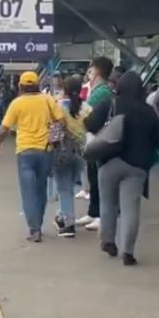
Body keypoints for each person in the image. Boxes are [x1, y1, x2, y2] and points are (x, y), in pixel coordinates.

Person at [86, 71, 159, 266]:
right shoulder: (149, 110)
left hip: (109, 161)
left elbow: (90, 123)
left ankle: (108, 241)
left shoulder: (112, 104)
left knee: (107, 204)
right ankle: (128, 251)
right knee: (130, 209)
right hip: (137, 167)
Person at [0, 71, 65, 242]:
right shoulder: (48, 100)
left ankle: (34, 230)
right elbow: (61, 120)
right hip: (45, 151)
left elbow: (4, 128)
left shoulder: (17, 103)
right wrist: (51, 135)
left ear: (21, 86)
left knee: (28, 192)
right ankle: (38, 224)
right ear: (37, 84)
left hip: (25, 152)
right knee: (40, 189)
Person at [77, 56, 114, 232]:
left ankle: (100, 214)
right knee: (93, 177)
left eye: (91, 69)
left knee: (98, 178)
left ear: (97, 71)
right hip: (93, 139)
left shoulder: (101, 92)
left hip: (98, 139)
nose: (88, 73)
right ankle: (93, 211)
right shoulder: (98, 90)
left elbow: (84, 114)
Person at [53, 76, 89, 237]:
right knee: (69, 185)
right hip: (82, 152)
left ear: (64, 90)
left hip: (62, 151)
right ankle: (62, 215)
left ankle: (68, 224)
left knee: (64, 188)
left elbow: (53, 128)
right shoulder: (87, 108)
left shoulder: (58, 106)